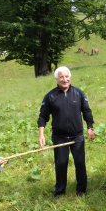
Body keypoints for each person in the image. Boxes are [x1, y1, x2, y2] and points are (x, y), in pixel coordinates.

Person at [38, 66, 95, 198]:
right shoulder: (50, 96)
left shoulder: (79, 93)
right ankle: (60, 192)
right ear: (57, 80)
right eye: (61, 77)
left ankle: (81, 191)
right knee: (61, 163)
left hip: (77, 136)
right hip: (60, 137)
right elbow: (42, 116)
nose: (65, 79)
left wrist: (90, 127)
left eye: (67, 76)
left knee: (80, 163)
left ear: (70, 77)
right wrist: (41, 134)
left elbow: (87, 111)